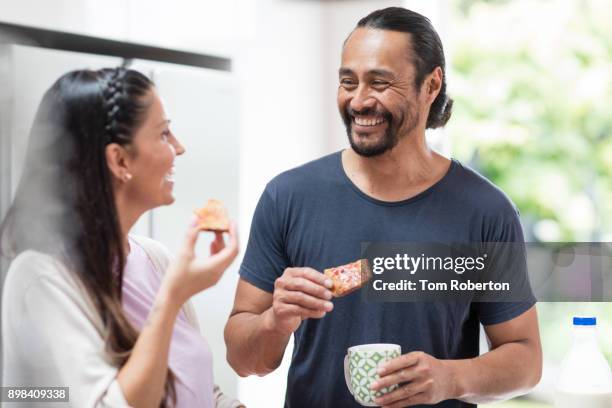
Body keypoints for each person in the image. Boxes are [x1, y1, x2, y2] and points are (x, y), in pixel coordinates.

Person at [224, 7, 542, 408]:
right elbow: (241, 359)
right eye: (347, 81)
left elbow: (526, 359)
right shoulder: (287, 197)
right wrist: (275, 321)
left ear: (431, 85)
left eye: (379, 82)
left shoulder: (486, 212)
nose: (358, 100)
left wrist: (450, 378)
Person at [1, 67, 242, 408]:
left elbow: (199, 392)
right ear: (119, 159)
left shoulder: (156, 259)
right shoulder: (41, 277)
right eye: (164, 134)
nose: (180, 148)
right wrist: (173, 295)